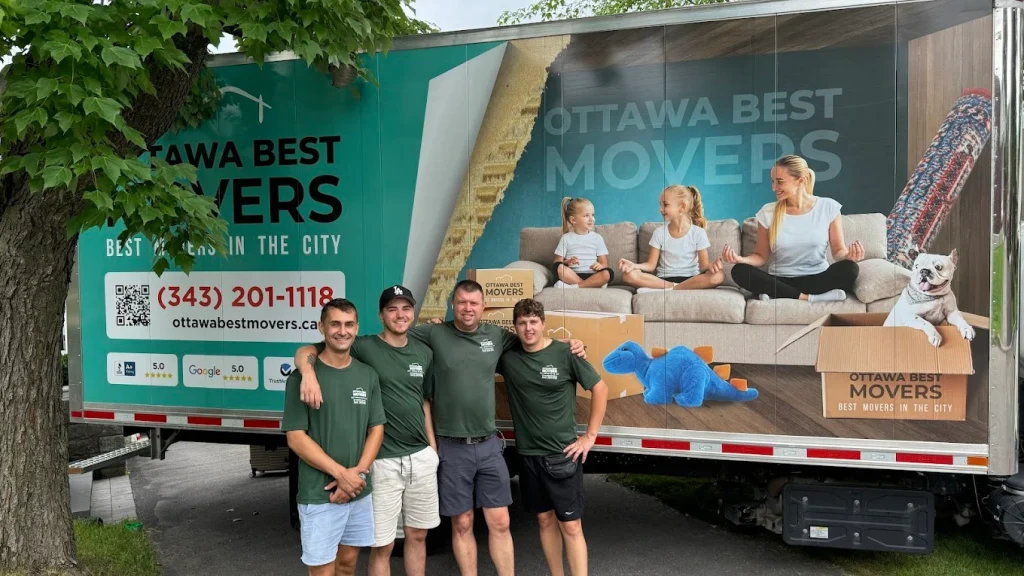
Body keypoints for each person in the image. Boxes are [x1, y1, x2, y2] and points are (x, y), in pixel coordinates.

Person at [411, 279, 586, 576]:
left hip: (490, 445)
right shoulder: (433, 333)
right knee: (463, 522)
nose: (468, 308)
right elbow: (392, 338)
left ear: (483, 307)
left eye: (474, 303)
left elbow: (536, 341)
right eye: (462, 302)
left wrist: (575, 344)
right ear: (453, 304)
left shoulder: (497, 335)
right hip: (451, 445)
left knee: (501, 521)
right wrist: (309, 362)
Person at [293, 285, 439, 576]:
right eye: (392, 308)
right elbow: (310, 350)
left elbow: (423, 400)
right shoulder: (363, 346)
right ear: (380, 315)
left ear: (413, 312)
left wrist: (432, 449)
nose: (400, 314)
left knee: (418, 536)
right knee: (382, 545)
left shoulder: (423, 353)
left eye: (406, 308)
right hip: (382, 460)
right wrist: (307, 373)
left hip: (420, 458)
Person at [496, 298, 608, 576]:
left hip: (563, 454)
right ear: (515, 327)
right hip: (529, 455)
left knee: (571, 526)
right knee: (544, 521)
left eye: (534, 322)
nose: (528, 328)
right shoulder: (508, 358)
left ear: (544, 324)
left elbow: (600, 388)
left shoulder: (566, 353)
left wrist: (589, 436)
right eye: (522, 323)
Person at [282, 298, 386, 576]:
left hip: (357, 491)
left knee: (348, 566)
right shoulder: (301, 379)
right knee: (323, 571)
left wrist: (358, 476)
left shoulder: (367, 375)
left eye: (349, 324)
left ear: (357, 328)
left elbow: (376, 429)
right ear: (321, 328)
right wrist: (342, 475)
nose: (343, 331)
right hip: (320, 494)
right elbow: (295, 438)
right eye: (335, 324)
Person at [721, 154, 863, 302]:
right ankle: (806, 298)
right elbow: (760, 256)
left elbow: (838, 251)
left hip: (816, 278)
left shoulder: (828, 207)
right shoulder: (768, 212)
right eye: (773, 182)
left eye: (779, 182)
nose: (773, 187)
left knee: (850, 269)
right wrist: (741, 259)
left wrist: (848, 256)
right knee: (740, 270)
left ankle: (777, 294)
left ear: (801, 181)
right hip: (780, 279)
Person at [618, 184, 725, 293]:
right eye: (660, 205)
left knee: (719, 275)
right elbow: (650, 265)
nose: (660, 209)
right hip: (663, 280)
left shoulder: (698, 233)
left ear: (682, 207)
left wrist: (711, 266)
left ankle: (671, 289)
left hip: (692, 279)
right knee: (628, 275)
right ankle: (674, 287)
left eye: (665, 205)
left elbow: (703, 267)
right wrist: (634, 266)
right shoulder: (659, 233)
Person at [553, 196, 614, 289]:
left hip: (592, 275)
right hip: (572, 275)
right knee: (559, 268)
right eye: (586, 215)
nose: (591, 219)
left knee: (607, 273)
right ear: (573, 220)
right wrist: (567, 262)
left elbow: (604, 263)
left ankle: (575, 287)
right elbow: (557, 262)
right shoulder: (566, 238)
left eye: (593, 215)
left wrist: (600, 266)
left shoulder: (597, 238)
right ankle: (591, 285)